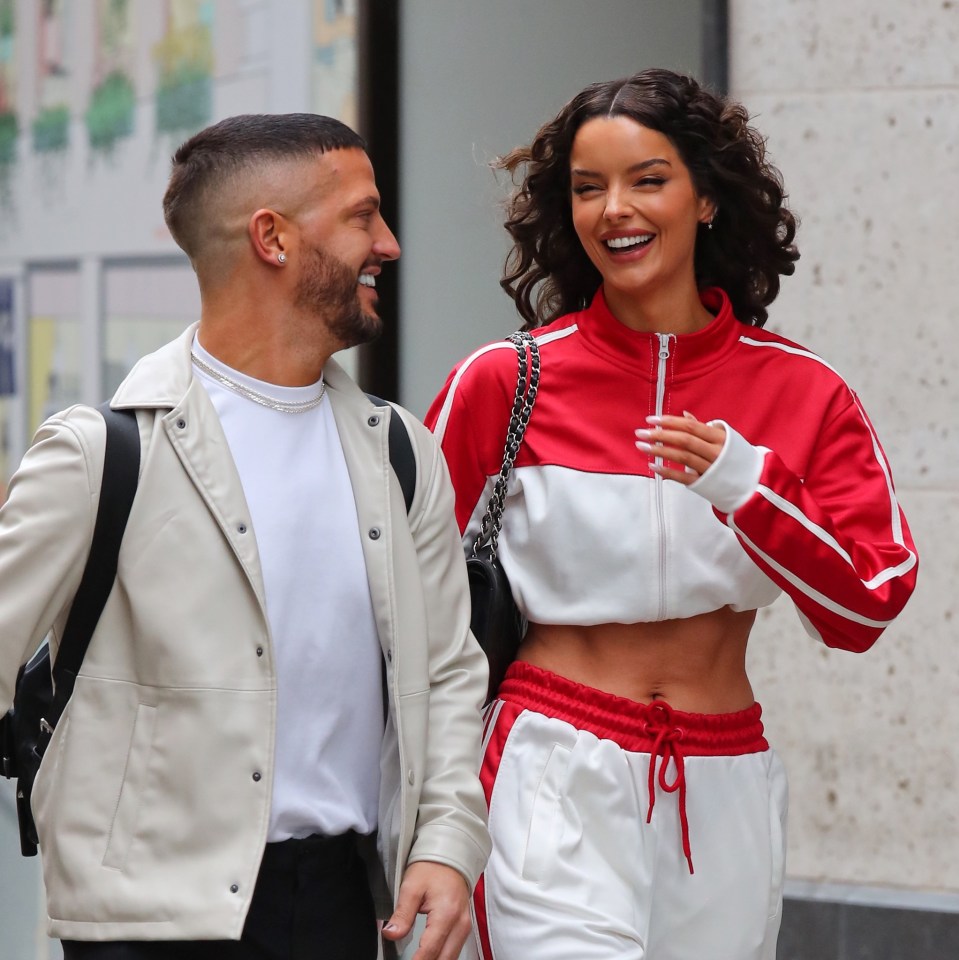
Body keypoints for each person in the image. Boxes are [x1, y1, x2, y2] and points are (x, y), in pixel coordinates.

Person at [425, 69, 918, 960]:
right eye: (587, 188)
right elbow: (407, 597)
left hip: (721, 778)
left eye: (647, 179)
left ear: (706, 200)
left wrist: (747, 487)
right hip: (551, 767)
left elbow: (866, 606)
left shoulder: (804, 392)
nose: (614, 209)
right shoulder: (503, 381)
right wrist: (428, 820)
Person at [0, 113, 490, 960]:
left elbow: (447, 674)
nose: (390, 243)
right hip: (143, 923)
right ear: (272, 237)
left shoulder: (400, 450)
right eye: (362, 215)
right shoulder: (102, 452)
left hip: (342, 907)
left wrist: (446, 845)